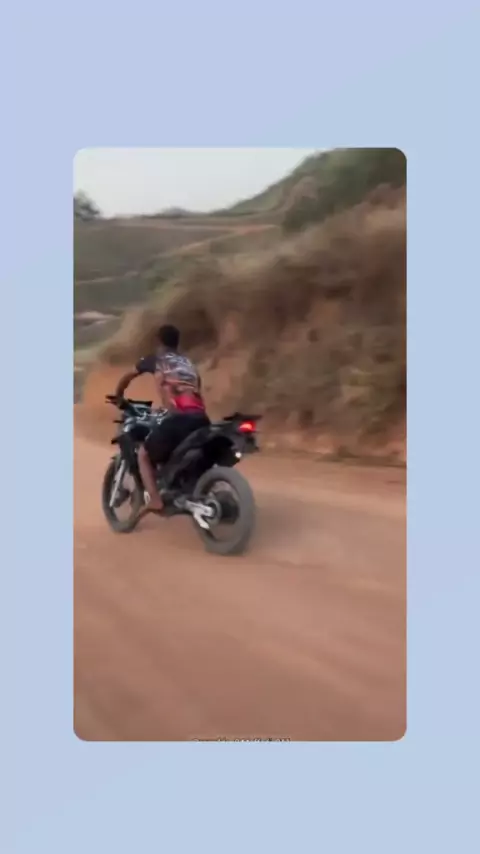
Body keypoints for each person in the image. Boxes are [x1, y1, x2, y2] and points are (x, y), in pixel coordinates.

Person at [114, 324, 209, 516]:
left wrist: (119, 396)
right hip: (201, 418)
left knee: (143, 454)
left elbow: (127, 377)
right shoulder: (188, 363)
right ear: (177, 343)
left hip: (179, 418)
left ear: (159, 342)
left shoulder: (156, 360)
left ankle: (155, 500)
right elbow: (196, 386)